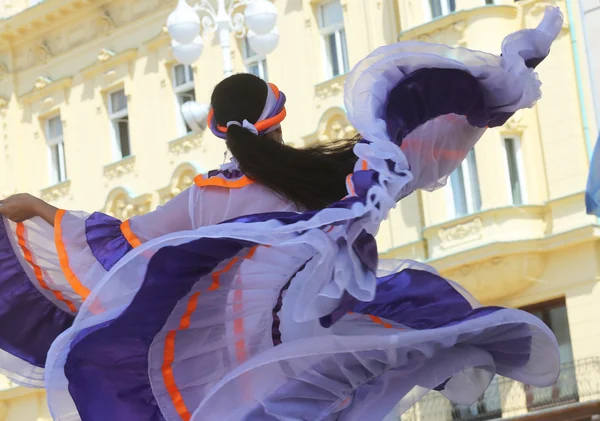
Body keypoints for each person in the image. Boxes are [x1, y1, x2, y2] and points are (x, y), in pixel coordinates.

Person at [0, 6, 563, 421]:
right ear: (277, 121)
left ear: (219, 128)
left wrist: (40, 211)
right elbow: (417, 139)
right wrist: (502, 81)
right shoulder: (328, 178)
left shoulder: (201, 196)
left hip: (230, 371)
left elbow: (120, 246)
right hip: (313, 345)